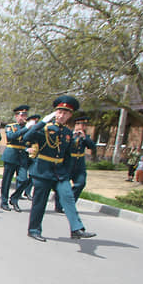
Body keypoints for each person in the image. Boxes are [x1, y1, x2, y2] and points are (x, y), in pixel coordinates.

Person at [23, 95, 96, 242]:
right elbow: (27, 137)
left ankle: (76, 229)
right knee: (40, 202)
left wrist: (67, 173)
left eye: (66, 113)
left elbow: (68, 156)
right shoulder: (45, 129)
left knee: (68, 197)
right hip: (43, 170)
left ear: (70, 115)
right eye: (60, 112)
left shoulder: (68, 133)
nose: (62, 116)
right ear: (55, 113)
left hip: (59, 172)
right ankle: (34, 230)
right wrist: (42, 121)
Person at [54, 112, 96, 212]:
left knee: (80, 183)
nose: (84, 127)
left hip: (79, 164)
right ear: (76, 125)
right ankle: (59, 205)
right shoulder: (68, 134)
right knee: (63, 185)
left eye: (86, 125)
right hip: (68, 163)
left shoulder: (86, 137)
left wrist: (84, 137)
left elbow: (92, 147)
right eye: (82, 125)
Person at [0, 105, 30, 212]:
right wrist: (26, 128)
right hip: (11, 155)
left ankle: (14, 198)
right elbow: (11, 137)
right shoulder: (11, 126)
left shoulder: (28, 127)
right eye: (22, 115)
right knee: (7, 180)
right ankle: (4, 201)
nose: (24, 117)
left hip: (22, 156)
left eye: (25, 115)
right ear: (16, 116)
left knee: (24, 180)